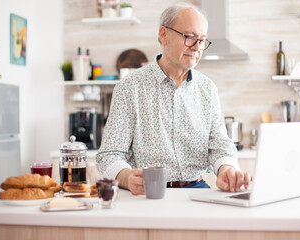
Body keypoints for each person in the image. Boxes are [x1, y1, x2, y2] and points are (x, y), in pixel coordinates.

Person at [96, 3, 250, 195]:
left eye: (202, 40)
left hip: (197, 189)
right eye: (189, 37)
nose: (196, 47)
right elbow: (109, 155)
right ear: (164, 35)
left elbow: (221, 146)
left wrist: (227, 168)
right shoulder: (130, 87)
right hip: (148, 193)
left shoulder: (207, 89)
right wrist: (127, 178)